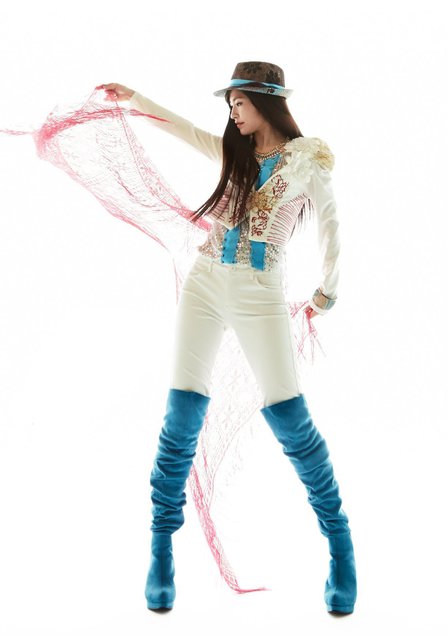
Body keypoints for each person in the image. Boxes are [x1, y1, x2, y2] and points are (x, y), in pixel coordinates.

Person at [99, 61, 357, 615]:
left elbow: (333, 227)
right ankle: (161, 551)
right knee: (181, 412)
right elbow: (180, 127)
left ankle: (340, 546)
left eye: (239, 102)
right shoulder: (232, 152)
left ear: (266, 102)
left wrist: (326, 292)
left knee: (289, 415)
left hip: (260, 293)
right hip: (206, 281)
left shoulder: (307, 160)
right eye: (230, 104)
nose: (232, 113)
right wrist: (134, 96)